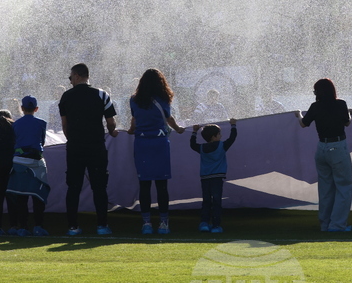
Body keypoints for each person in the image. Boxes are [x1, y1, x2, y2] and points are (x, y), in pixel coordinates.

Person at [59, 63, 119, 236]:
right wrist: (111, 131)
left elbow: (65, 125)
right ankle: (102, 225)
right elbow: (110, 121)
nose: (70, 81)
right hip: (96, 146)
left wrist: (73, 140)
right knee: (99, 187)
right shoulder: (102, 94)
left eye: (70, 77)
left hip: (75, 147)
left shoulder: (66, 96)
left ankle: (72, 227)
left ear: (77, 76)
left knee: (74, 188)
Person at [125, 68, 185, 235]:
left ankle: (146, 224)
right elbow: (169, 119)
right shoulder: (164, 99)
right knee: (161, 185)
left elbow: (134, 120)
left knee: (144, 185)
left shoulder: (134, 100)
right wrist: (179, 129)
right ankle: (164, 223)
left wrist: (130, 130)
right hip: (160, 143)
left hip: (142, 143)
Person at [294, 78, 352, 232]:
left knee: (325, 189)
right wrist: (349, 113)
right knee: (343, 187)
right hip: (338, 147)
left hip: (321, 148)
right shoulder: (341, 104)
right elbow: (347, 122)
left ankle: (325, 224)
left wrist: (299, 114)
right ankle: (337, 225)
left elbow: (303, 123)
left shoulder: (315, 106)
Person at [5, 96, 50, 236]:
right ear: (36, 109)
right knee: (39, 195)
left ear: (22, 108)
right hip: (36, 161)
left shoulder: (15, 124)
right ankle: (38, 226)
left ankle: (23, 227)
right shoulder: (42, 123)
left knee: (21, 195)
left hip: (19, 161)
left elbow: (13, 141)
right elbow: (41, 141)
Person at [190, 119, 238, 233]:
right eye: (219, 134)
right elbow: (232, 138)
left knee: (206, 201)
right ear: (213, 137)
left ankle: (204, 223)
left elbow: (192, 144)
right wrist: (233, 125)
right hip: (217, 178)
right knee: (216, 201)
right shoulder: (222, 146)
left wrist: (194, 132)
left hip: (205, 178)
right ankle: (216, 225)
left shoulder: (201, 148)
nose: (221, 136)